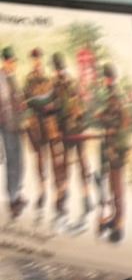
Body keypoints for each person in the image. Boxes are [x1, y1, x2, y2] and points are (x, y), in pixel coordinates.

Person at [52, 53, 92, 222]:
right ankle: (69, 199)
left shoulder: (66, 84)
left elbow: (80, 105)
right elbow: (57, 109)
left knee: (77, 164)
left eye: (59, 68)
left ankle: (84, 198)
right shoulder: (61, 84)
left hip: (74, 130)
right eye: (58, 68)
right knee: (71, 165)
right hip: (71, 130)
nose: (59, 71)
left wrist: (75, 117)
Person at [93, 65, 130, 241]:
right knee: (114, 185)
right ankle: (115, 219)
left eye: (106, 78)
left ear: (109, 78)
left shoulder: (114, 95)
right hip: (115, 145)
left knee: (116, 186)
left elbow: (116, 120)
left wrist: (101, 116)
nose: (105, 81)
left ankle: (119, 224)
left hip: (116, 146)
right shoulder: (114, 94)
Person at [20, 49, 56, 212]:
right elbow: (25, 101)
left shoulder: (48, 79)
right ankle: (42, 192)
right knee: (40, 159)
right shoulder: (28, 80)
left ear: (41, 59)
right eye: (34, 59)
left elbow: (53, 99)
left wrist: (50, 106)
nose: (36, 61)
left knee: (53, 158)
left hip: (49, 123)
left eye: (38, 58)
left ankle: (55, 194)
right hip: (35, 123)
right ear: (31, 61)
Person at [0, 49, 26, 218]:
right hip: (6, 126)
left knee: (19, 161)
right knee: (12, 163)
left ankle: (17, 193)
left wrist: (22, 105)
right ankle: (13, 200)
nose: (14, 64)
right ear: (5, 61)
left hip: (16, 126)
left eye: (14, 61)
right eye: (11, 61)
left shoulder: (12, 77)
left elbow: (17, 99)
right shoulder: (1, 78)